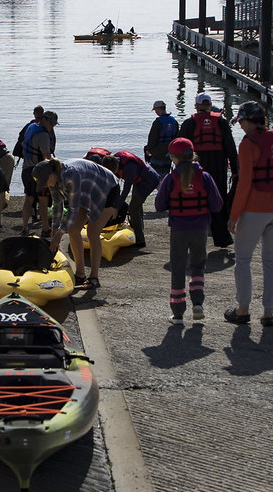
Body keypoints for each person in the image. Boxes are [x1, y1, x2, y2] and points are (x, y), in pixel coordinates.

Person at [224, 101, 273, 328]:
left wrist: (233, 216)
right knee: (271, 262)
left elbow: (244, 184)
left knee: (243, 260)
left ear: (247, 121)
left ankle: (243, 310)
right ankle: (268, 314)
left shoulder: (248, 144)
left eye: (241, 122)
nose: (241, 127)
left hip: (255, 210)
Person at [154, 138, 223, 325]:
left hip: (179, 229)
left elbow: (159, 206)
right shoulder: (205, 177)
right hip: (200, 228)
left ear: (173, 157)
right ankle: (198, 304)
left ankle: (177, 314)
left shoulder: (170, 178)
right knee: (198, 266)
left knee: (178, 269)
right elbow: (217, 205)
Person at [33, 158, 119, 291]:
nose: (45, 186)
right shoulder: (54, 180)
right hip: (86, 191)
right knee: (73, 230)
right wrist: (55, 229)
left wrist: (60, 234)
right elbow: (57, 205)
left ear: (51, 175)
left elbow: (73, 209)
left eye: (45, 182)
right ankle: (80, 274)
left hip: (107, 188)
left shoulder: (70, 176)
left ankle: (94, 278)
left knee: (92, 232)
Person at [177, 93, 237, 247]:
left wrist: (179, 170)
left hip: (196, 169)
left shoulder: (189, 123)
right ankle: (222, 238)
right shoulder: (222, 123)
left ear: (196, 106)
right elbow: (231, 148)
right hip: (219, 168)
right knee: (219, 200)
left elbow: (180, 147)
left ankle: (193, 239)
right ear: (210, 105)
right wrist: (236, 171)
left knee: (195, 201)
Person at [100, 150, 161, 248]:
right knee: (136, 205)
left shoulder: (129, 168)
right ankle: (138, 230)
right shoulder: (113, 161)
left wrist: (116, 208)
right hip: (138, 180)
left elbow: (126, 190)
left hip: (148, 180)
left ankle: (140, 240)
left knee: (133, 208)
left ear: (116, 166)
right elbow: (116, 186)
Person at [20, 110, 58, 236]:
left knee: (29, 199)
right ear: (46, 120)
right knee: (43, 200)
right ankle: (45, 229)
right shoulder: (43, 136)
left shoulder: (31, 128)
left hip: (26, 170)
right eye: (52, 124)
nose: (52, 127)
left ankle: (25, 227)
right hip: (39, 172)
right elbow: (46, 156)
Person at [144, 100, 179, 175]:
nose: (155, 112)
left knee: (156, 174)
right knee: (166, 173)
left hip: (158, 153)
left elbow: (152, 138)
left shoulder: (158, 122)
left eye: (155, 110)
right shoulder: (174, 121)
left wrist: (148, 149)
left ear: (158, 109)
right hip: (169, 153)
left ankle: (159, 186)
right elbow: (177, 137)